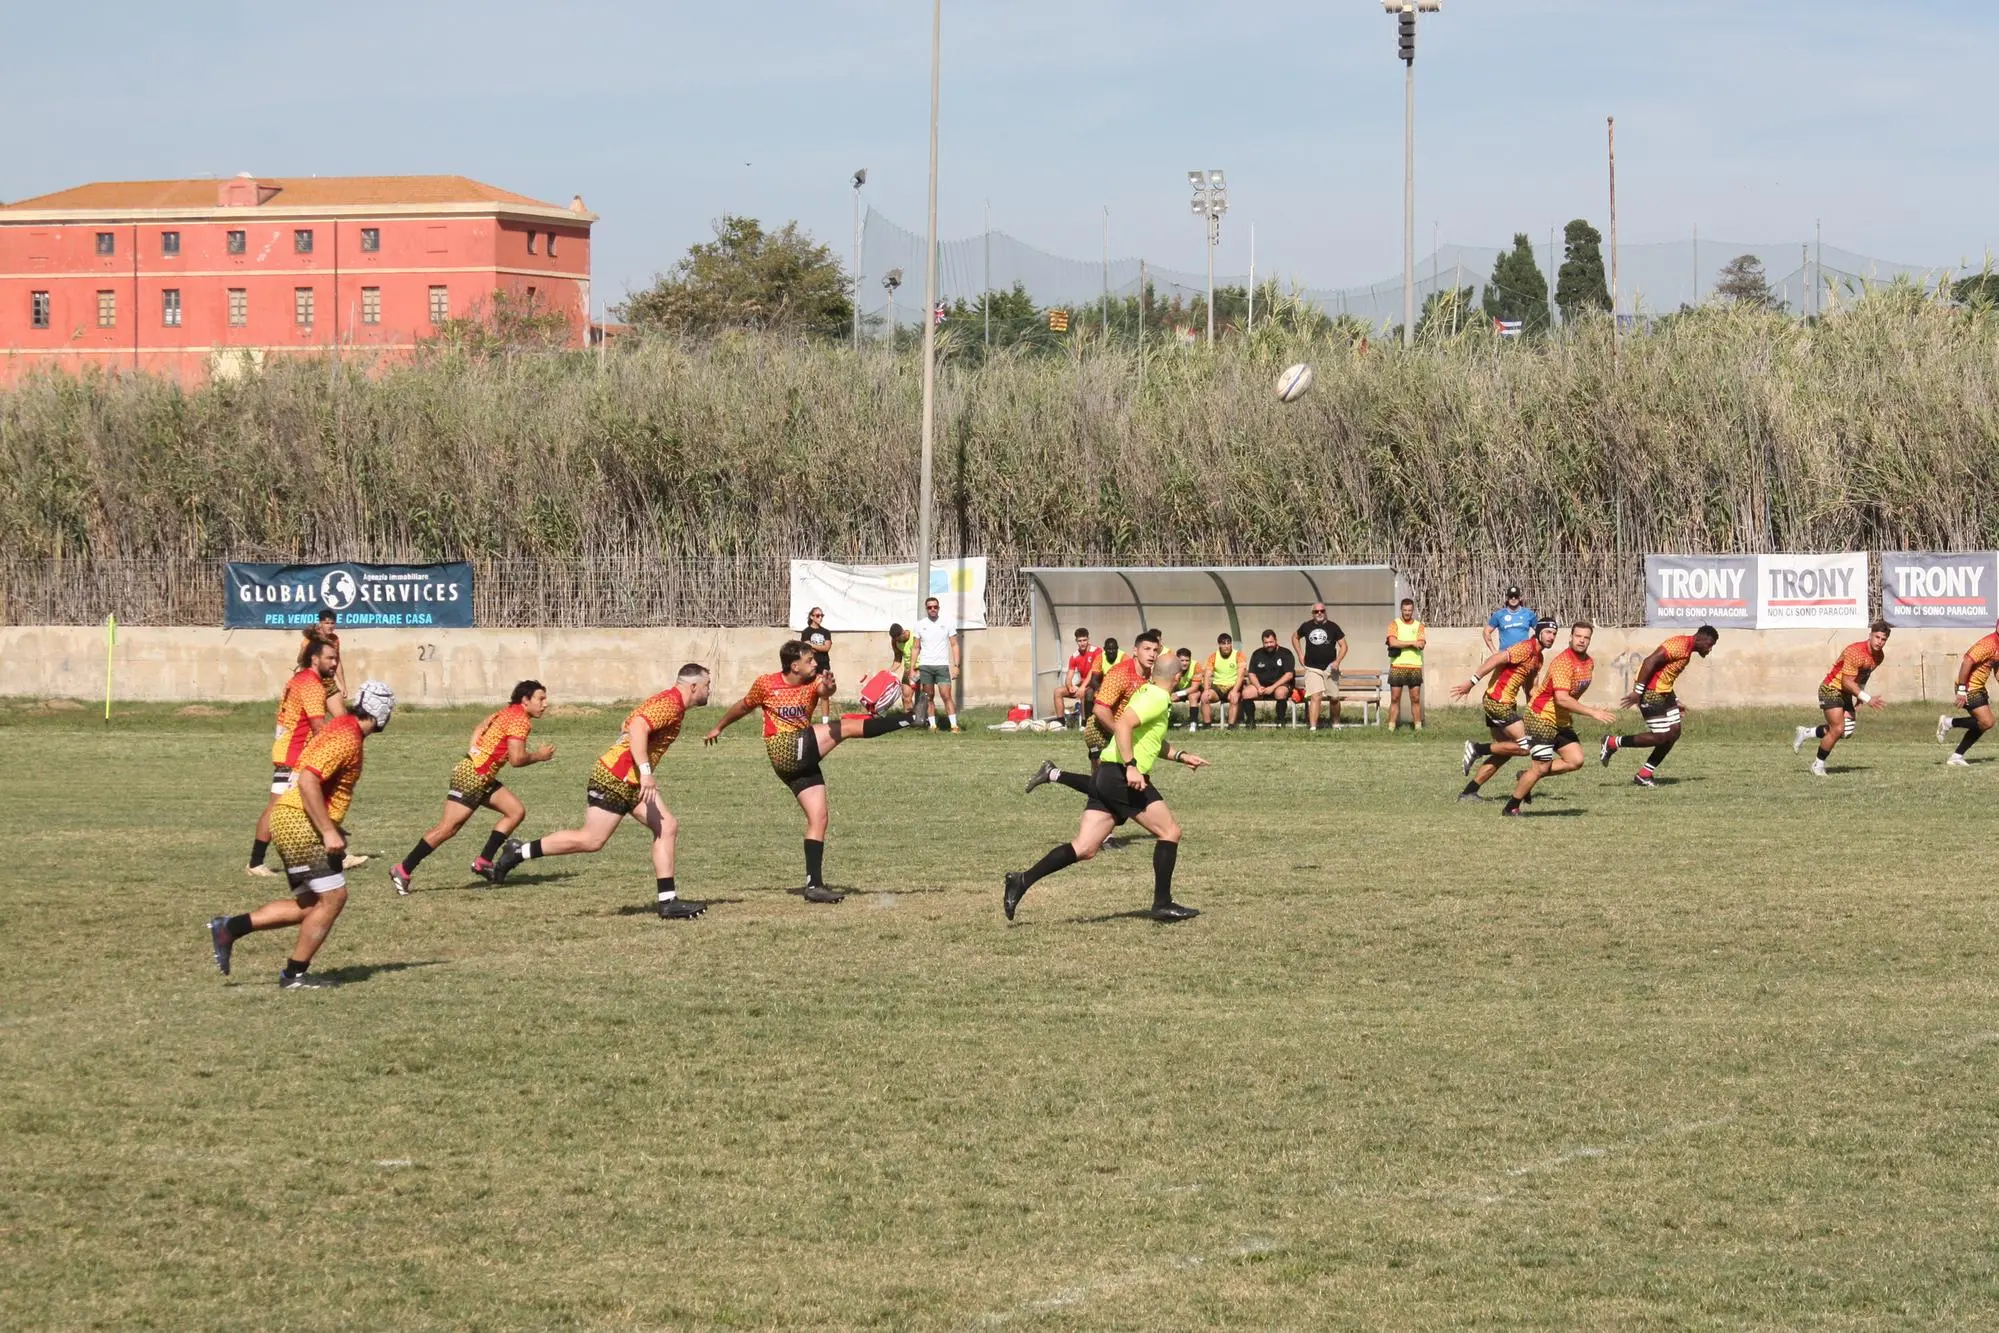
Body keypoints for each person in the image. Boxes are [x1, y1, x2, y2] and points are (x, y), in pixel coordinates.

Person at [208, 681, 396, 988]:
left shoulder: (341, 728)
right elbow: (308, 781)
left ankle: (229, 928)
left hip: (292, 818)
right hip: (298, 823)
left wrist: (333, 824)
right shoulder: (347, 737)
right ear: (381, 711)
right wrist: (326, 830)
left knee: (310, 905)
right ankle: (294, 975)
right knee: (334, 897)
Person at [703, 641, 916, 902]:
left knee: (819, 817)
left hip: (800, 757)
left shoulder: (814, 682)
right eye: (809, 660)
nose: (815, 664)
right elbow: (743, 706)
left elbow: (827, 690)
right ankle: (910, 718)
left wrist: (830, 683)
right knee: (845, 727)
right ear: (794, 665)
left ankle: (814, 885)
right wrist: (719, 726)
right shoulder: (766, 684)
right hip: (784, 747)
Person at [493, 666, 714, 918]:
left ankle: (668, 902)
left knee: (667, 826)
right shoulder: (671, 702)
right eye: (707, 684)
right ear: (693, 686)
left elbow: (627, 723)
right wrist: (645, 771)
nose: (710, 689)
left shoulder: (666, 701)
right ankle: (518, 851)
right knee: (591, 840)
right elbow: (638, 727)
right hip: (615, 777)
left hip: (629, 779)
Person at [1005, 653, 1208, 924]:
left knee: (1085, 848)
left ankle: (1022, 880)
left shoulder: (1148, 692)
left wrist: (1182, 755)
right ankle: (1162, 903)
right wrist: (1131, 766)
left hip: (1107, 774)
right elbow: (1123, 725)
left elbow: (1148, 739)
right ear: (1177, 677)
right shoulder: (1158, 697)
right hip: (1120, 776)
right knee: (1170, 831)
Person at [391, 680, 556, 894]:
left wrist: (475, 753)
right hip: (473, 776)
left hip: (479, 774)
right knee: (447, 829)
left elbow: (479, 727)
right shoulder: (520, 721)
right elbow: (516, 759)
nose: (545, 704)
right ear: (525, 700)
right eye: (540, 699)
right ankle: (402, 869)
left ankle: (484, 861)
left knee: (515, 811)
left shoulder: (504, 712)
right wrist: (539, 756)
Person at [249, 633, 342, 877]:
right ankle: (255, 863)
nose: (334, 663)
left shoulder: (299, 678)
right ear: (315, 659)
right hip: (295, 754)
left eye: (336, 659)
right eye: (330, 658)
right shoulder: (311, 685)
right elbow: (318, 726)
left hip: (293, 750)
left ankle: (336, 852)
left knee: (318, 800)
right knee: (277, 807)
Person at [1026, 630, 1161, 796]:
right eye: (1147, 649)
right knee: (1102, 785)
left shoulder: (1150, 676)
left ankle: (1052, 773)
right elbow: (1099, 709)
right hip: (1100, 730)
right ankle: (1053, 774)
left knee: (1105, 786)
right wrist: (1119, 732)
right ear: (1135, 651)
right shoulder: (1121, 673)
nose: (1152, 654)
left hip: (1121, 732)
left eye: (1155, 650)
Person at [1503, 620, 1618, 816]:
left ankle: (1525, 776)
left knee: (1575, 760)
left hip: (1560, 720)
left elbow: (1570, 696)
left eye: (1586, 637)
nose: (1582, 640)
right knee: (1541, 767)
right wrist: (1592, 712)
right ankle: (1511, 807)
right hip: (1541, 717)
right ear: (1570, 637)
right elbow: (1562, 699)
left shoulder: (1588, 662)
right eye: (1578, 636)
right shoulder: (1563, 662)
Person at [1452, 616, 1558, 801]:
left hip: (1505, 703)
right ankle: (1477, 748)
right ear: (1539, 632)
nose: (1551, 637)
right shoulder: (1525, 647)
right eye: (1548, 632)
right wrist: (1472, 682)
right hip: (1497, 702)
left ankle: (1469, 792)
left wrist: (1545, 707)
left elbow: (1531, 690)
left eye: (1554, 634)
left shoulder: (1538, 658)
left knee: (1504, 751)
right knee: (1525, 747)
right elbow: (1496, 658)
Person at [1600, 625, 1720, 786]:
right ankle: (1613, 742)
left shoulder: (1687, 649)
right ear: (1701, 638)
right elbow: (1650, 661)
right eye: (1710, 644)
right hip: (1651, 692)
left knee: (1674, 732)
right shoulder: (1679, 645)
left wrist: (1675, 701)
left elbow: (1665, 675)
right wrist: (1638, 691)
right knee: (1661, 736)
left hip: (1665, 693)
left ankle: (1644, 774)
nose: (1710, 649)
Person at [1793, 621, 1890, 777]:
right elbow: (1846, 681)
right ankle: (1818, 765)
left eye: (1883, 639)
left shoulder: (1879, 656)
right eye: (1877, 637)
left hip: (1847, 691)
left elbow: (1863, 676)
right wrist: (1866, 698)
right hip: (1831, 688)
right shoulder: (1855, 651)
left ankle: (1807, 732)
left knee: (1846, 731)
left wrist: (1859, 697)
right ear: (1870, 635)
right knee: (1837, 729)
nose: (1879, 642)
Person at [1937, 617, 1999, 766]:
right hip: (1969, 688)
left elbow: (1996, 668)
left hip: (1978, 688)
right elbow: (1967, 661)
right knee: (1987, 721)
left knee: (1984, 724)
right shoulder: (1989, 643)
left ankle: (1956, 756)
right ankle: (1948, 722)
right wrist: (1962, 690)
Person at [1292, 603, 1347, 730]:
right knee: (1316, 696)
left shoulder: (1333, 627)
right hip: (1312, 668)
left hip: (1330, 668)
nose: (1319, 613)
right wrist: (1300, 654)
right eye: (1316, 611)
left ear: (1325, 611)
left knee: (1334, 698)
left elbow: (1344, 645)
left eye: (1322, 610)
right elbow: (1295, 637)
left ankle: (1336, 724)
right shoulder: (1306, 626)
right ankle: (1313, 728)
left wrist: (1337, 661)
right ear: (1312, 613)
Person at [911, 596, 961, 733]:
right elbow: (915, 647)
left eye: (935, 607)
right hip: (926, 666)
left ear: (938, 608)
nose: (932, 609)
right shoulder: (920, 625)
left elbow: (954, 644)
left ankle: (954, 725)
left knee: (946, 696)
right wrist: (912, 668)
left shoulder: (948, 622)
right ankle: (933, 726)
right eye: (929, 607)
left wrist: (956, 665)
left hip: (942, 666)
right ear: (926, 609)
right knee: (929, 696)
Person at [1240, 629, 1298, 727]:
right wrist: (1258, 687)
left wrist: (1273, 687)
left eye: (1271, 642)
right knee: (1246, 693)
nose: (1269, 645)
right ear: (1263, 643)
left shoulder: (1285, 653)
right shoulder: (1257, 654)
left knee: (1280, 693)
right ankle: (1250, 722)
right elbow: (1251, 674)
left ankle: (1280, 721)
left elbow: (1289, 674)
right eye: (1266, 643)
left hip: (1280, 685)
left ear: (1276, 641)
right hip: (1262, 687)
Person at [1385, 598, 1427, 730]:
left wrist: (1403, 642)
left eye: (1409, 610)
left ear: (1412, 610)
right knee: (1395, 698)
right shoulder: (1394, 624)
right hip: (1397, 665)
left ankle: (1418, 727)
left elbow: (1421, 644)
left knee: (1415, 698)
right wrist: (1412, 643)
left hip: (1414, 666)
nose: (1407, 613)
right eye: (1405, 610)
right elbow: (1392, 642)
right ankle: (1391, 727)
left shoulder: (1419, 626)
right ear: (1401, 610)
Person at [1194, 632, 1246, 728]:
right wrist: (1205, 690)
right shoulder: (1213, 656)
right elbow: (1207, 675)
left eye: (1228, 643)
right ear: (1219, 645)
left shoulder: (1238, 655)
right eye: (1223, 643)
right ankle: (1207, 726)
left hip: (1233, 686)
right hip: (1217, 687)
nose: (1226, 646)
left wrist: (1234, 691)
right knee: (1204, 697)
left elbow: (1241, 675)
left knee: (1234, 698)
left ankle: (1231, 727)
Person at [1054, 626, 1102, 726]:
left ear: (1088, 639)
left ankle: (1084, 724)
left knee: (1084, 692)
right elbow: (1069, 675)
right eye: (1079, 641)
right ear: (1076, 641)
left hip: (1095, 684)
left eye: (1084, 640)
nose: (1082, 643)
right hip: (1083, 685)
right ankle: (1060, 723)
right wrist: (1070, 686)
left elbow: (1093, 671)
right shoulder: (1075, 656)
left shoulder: (1097, 651)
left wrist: (1082, 687)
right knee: (1058, 691)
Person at [303, 609, 349, 699]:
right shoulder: (312, 638)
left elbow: (337, 662)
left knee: (340, 710)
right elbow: (302, 661)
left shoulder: (335, 639)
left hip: (327, 680)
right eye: (327, 623)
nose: (330, 626)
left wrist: (343, 685)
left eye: (332, 623)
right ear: (320, 624)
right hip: (311, 680)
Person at [801, 607, 835, 724]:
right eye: (817, 615)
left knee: (824, 694)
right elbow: (806, 649)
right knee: (810, 694)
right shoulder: (806, 632)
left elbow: (827, 648)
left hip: (824, 665)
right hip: (811, 667)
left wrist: (812, 645)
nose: (820, 618)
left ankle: (825, 722)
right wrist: (816, 647)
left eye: (821, 615)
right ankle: (805, 720)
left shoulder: (826, 632)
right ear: (811, 617)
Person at [1484, 585, 1538, 654]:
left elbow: (1540, 631)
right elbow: (1486, 632)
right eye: (1510, 596)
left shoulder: (1528, 614)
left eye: (1516, 596)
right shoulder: (1499, 614)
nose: (1513, 599)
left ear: (1520, 598)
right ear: (1507, 598)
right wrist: (1494, 651)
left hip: (1524, 655)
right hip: (1505, 655)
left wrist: (1533, 646)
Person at [1169, 647, 1198, 725]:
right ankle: (1166, 722)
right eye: (1182, 660)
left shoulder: (1196, 666)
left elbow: (1195, 687)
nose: (1185, 663)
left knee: (1193, 696)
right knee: (1165, 696)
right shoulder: (1171, 667)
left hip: (1192, 690)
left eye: (1187, 660)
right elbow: (1168, 686)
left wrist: (1178, 694)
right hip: (1178, 689)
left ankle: (1193, 724)